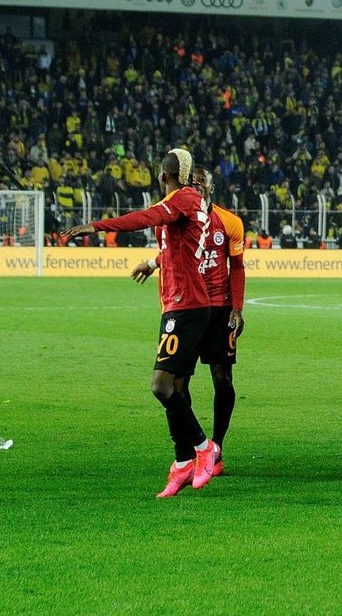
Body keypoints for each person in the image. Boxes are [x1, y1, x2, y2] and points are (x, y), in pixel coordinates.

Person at [62, 148, 220, 498]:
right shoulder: (191, 202)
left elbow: (144, 218)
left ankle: (203, 446)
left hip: (186, 306)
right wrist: (152, 262)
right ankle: (182, 462)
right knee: (176, 389)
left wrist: (96, 226)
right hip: (181, 304)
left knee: (161, 386)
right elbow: (178, 246)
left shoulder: (181, 199)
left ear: (163, 176)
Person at [132, 166, 245, 477]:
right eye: (192, 182)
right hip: (188, 308)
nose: (196, 187)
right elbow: (172, 251)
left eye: (202, 183)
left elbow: (236, 266)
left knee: (222, 379)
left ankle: (216, 447)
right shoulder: (180, 215)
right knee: (178, 384)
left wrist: (237, 308)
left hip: (219, 308)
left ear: (211, 188)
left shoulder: (229, 222)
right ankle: (193, 449)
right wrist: (153, 262)